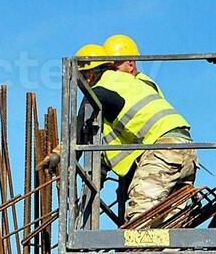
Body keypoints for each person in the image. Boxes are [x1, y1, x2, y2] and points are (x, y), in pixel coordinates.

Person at [79, 37, 197, 223]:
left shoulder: (113, 86)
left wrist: (65, 152)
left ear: (131, 63)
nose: (111, 70)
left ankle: (140, 250)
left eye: (114, 65)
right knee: (170, 223)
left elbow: (84, 119)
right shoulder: (138, 86)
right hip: (183, 150)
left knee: (140, 219)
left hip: (164, 152)